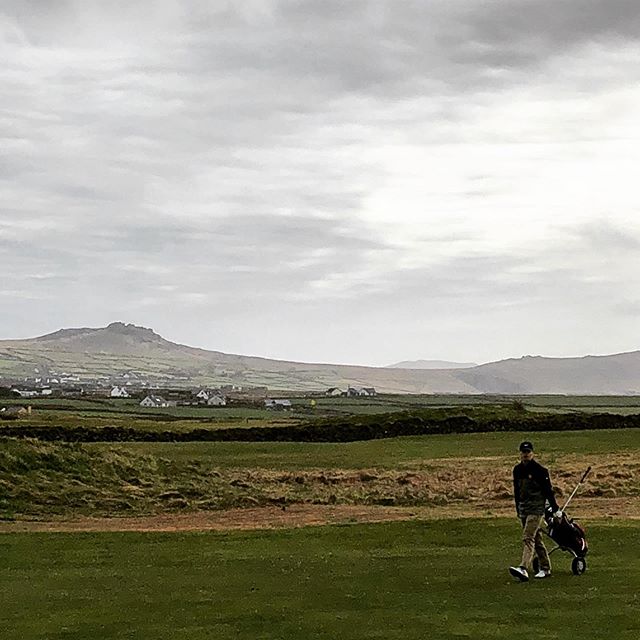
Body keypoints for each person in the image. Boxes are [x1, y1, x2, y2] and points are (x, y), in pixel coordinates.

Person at [509, 441, 562, 582]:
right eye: (523, 452)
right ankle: (545, 568)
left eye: (528, 452)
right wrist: (517, 508)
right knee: (536, 538)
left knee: (528, 537)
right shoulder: (517, 470)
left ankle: (523, 568)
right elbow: (516, 490)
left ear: (532, 453)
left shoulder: (540, 470)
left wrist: (555, 508)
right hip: (524, 509)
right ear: (520, 454)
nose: (525, 455)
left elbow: (548, 491)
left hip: (537, 509)